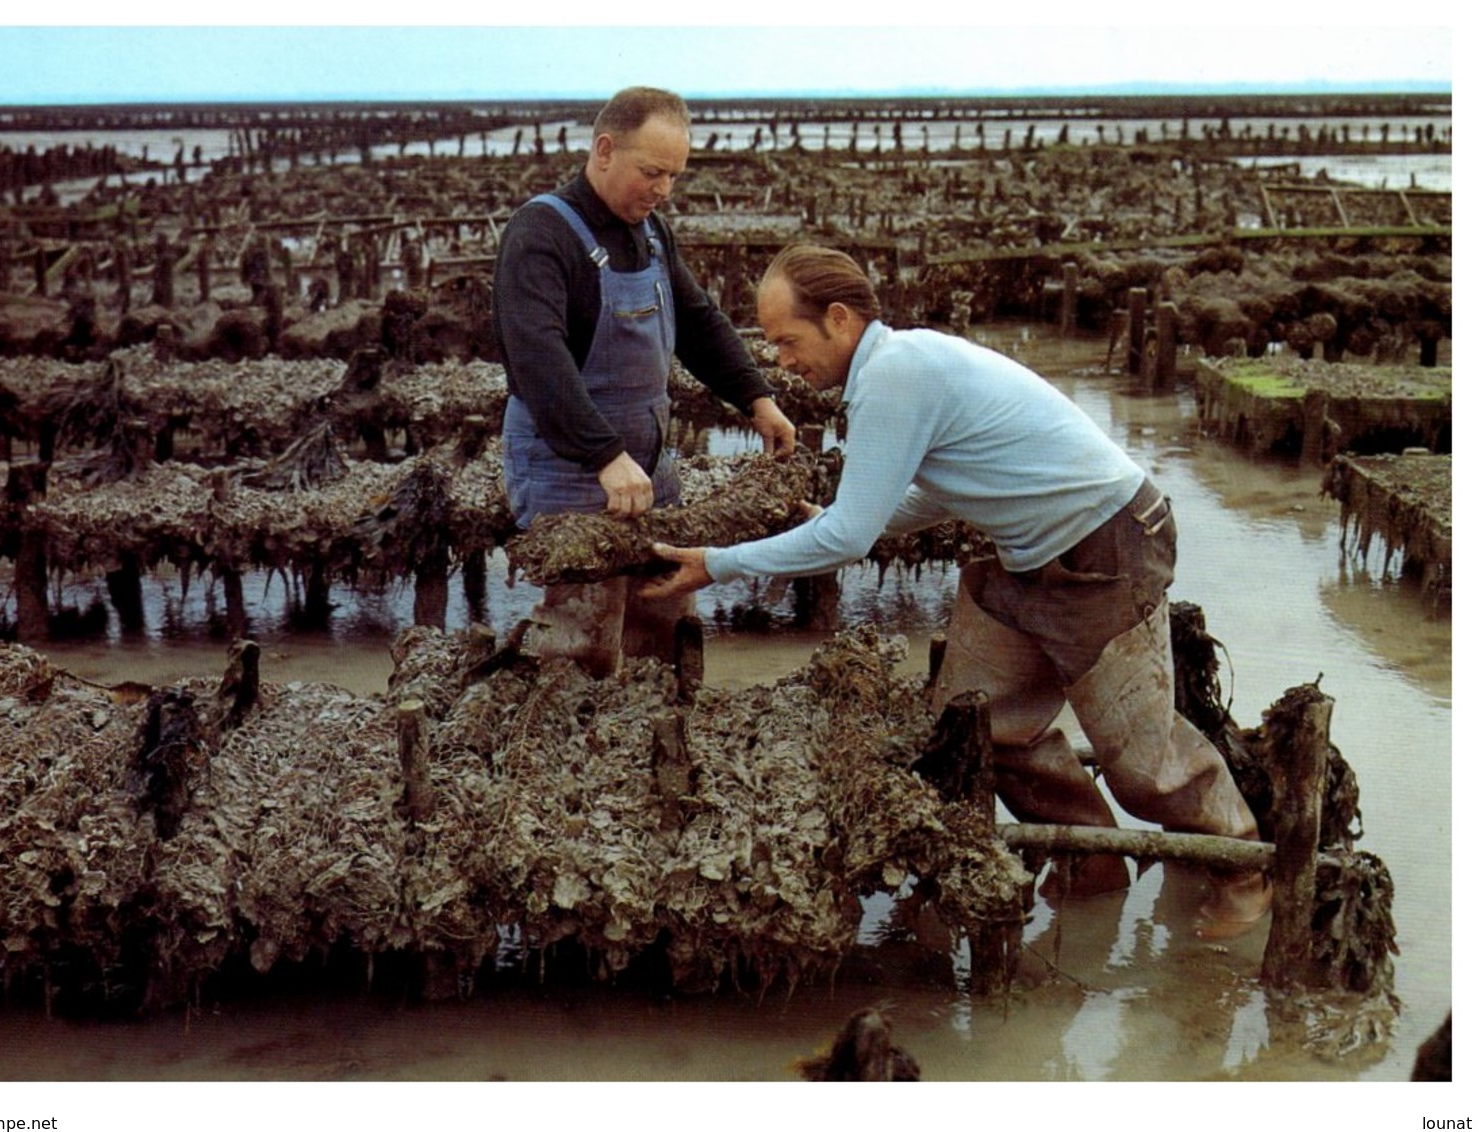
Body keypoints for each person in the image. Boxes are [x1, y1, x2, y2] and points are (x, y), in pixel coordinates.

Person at [643, 244, 1270, 938]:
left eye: (788, 341)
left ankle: (1244, 868)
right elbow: (932, 492)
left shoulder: (895, 376)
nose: (782, 363)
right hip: (1028, 555)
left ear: (840, 320)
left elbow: (847, 542)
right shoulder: (898, 365)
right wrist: (851, 520)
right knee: (981, 726)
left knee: (1142, 762)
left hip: (1105, 546)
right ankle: (1092, 867)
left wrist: (716, 563)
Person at [493, 86, 796, 677]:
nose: (662, 190)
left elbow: (700, 320)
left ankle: (663, 743)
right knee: (583, 642)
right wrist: (602, 453)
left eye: (674, 177)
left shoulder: (652, 233)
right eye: (651, 172)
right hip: (569, 470)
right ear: (604, 150)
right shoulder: (541, 234)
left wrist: (756, 397)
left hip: (649, 469)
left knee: (666, 622)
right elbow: (536, 359)